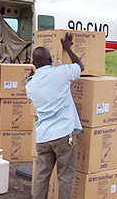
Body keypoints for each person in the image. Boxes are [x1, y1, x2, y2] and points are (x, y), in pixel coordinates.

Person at [25, 33, 84, 199]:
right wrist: (68, 49)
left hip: (43, 137)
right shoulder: (62, 73)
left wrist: (32, 76)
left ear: (34, 64)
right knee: (65, 176)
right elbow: (80, 66)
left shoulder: (30, 85)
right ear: (51, 59)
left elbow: (30, 89)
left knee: (41, 176)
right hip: (64, 135)